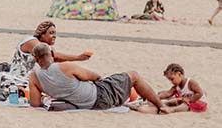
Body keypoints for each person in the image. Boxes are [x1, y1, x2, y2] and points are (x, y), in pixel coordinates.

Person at [28, 43, 165, 112]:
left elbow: (35, 104)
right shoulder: (65, 67)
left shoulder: (34, 77)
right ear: (52, 53)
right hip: (99, 98)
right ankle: (161, 106)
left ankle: (140, 101)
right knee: (133, 75)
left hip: (78, 104)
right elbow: (96, 76)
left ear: (35, 58)